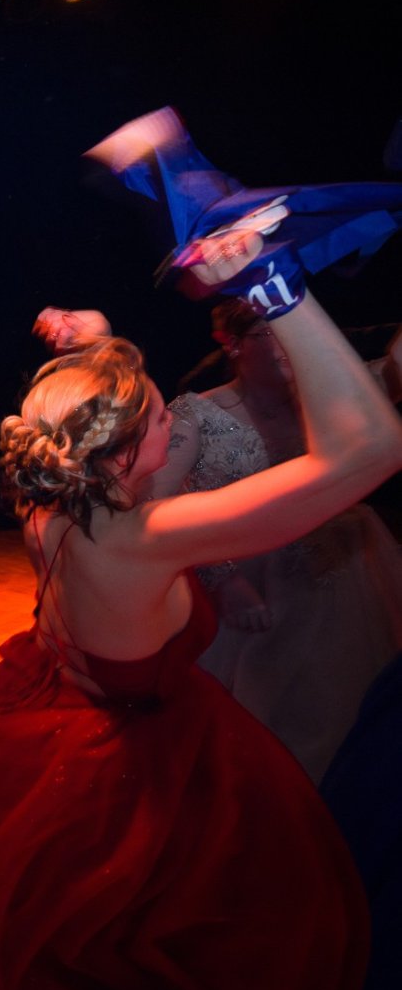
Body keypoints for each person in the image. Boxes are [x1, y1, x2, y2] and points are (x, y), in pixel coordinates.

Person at [0, 210, 399, 990]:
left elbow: (90, 423)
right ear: (127, 450)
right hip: (132, 766)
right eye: (164, 415)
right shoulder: (152, 536)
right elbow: (372, 447)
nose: (176, 417)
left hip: (47, 710)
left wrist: (98, 346)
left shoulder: (49, 501)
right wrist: (276, 288)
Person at [148, 300, 402, 782]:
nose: (289, 344)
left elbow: (395, 372)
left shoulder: (334, 399)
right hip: (247, 589)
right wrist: (223, 579)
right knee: (256, 726)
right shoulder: (196, 414)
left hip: (341, 578)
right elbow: (154, 510)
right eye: (270, 333)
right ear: (234, 344)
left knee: (348, 706)